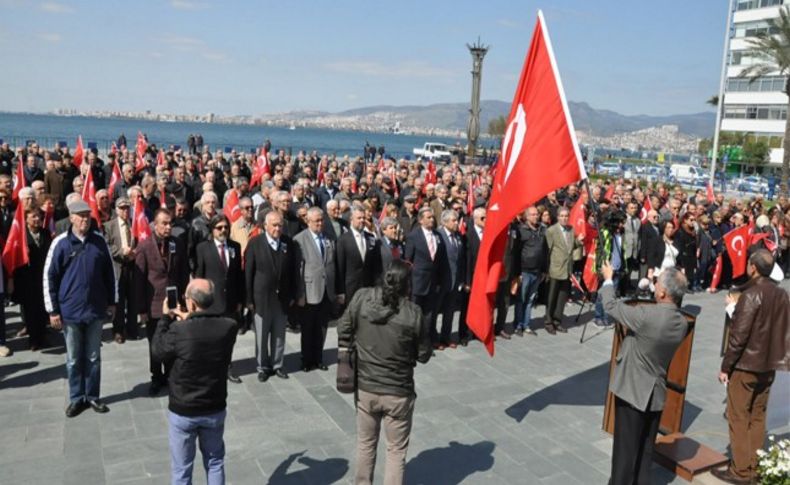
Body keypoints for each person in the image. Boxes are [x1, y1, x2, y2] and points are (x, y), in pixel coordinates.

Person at [337, 260, 432, 485]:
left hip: (367, 388)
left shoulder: (361, 298)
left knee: (365, 444)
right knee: (396, 451)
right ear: (407, 285)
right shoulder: (413, 313)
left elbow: (343, 329)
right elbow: (424, 355)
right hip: (398, 392)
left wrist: (355, 345)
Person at [600, 261, 688, 484]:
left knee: (624, 453)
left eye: (657, 282)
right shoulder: (681, 323)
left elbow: (610, 306)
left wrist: (609, 278)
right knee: (644, 451)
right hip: (655, 394)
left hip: (633, 391)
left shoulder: (646, 316)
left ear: (662, 292)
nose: (655, 284)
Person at [713, 250, 790, 484]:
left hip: (746, 365)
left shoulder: (751, 294)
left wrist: (726, 367)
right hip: (768, 366)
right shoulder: (782, 294)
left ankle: (741, 470)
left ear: (753, 268)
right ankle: (754, 465)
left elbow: (738, 336)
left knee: (738, 416)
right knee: (758, 417)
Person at [152, 279, 237, 485]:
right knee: (215, 461)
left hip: (184, 409)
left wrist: (165, 318)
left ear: (190, 303)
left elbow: (158, 351)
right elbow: (203, 330)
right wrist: (189, 318)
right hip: (214, 407)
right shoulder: (228, 327)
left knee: (182, 469)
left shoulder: (179, 331)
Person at [44, 199, 117, 417]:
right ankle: (77, 398)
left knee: (94, 358)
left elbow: (110, 275)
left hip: (95, 310)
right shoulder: (60, 243)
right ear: (71, 218)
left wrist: (112, 302)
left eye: (87, 215)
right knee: (74, 358)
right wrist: (53, 311)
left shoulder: (99, 241)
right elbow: (49, 277)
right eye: (80, 215)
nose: (85, 219)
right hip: (71, 312)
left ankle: (93, 396)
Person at [135, 209, 190, 396]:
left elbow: (183, 272)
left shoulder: (177, 243)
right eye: (164, 223)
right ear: (155, 225)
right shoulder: (144, 247)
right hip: (155, 304)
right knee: (156, 344)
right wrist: (142, 309)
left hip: (174, 302)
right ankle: (156, 377)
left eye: (170, 223)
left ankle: (171, 376)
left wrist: (184, 299)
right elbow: (140, 280)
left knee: (173, 341)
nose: (168, 227)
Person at [244, 210, 299, 382]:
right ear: (265, 225)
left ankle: (277, 364)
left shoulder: (288, 243)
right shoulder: (255, 243)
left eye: (280, 225)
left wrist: (293, 294)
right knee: (261, 334)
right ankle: (262, 366)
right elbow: (248, 272)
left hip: (282, 297)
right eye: (274, 225)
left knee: (279, 334)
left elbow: (293, 271)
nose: (277, 228)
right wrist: (249, 299)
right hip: (261, 297)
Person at [194, 214, 244, 384]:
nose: (223, 230)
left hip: (230, 302)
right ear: (212, 229)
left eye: (226, 227)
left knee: (229, 338)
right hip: (211, 304)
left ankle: (228, 367)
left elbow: (238, 276)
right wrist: (198, 302)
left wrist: (240, 301)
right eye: (219, 227)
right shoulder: (203, 248)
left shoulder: (235, 247)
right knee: (210, 340)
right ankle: (211, 369)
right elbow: (199, 276)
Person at [293, 207, 339, 371]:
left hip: (326, 289)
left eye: (321, 220)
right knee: (308, 328)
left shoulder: (328, 238)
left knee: (322, 327)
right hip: (310, 290)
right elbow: (298, 270)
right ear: (308, 221)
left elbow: (333, 263)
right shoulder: (299, 239)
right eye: (316, 221)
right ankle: (306, 360)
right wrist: (300, 294)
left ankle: (318, 358)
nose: (320, 223)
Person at [404, 206, 448, 341]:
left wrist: (439, 281)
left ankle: (426, 340)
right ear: (421, 220)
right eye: (428, 217)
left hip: (432, 282)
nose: (432, 219)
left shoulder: (438, 235)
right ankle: (413, 341)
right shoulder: (413, 236)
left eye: (432, 217)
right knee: (415, 313)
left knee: (429, 313)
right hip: (417, 282)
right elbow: (408, 260)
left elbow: (441, 261)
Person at [11, 208, 52, 350]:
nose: (37, 219)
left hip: (42, 277)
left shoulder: (46, 233)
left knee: (42, 308)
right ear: (26, 219)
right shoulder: (22, 236)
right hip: (27, 278)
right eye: (33, 216)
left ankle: (42, 336)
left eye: (39, 217)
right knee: (30, 310)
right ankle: (33, 340)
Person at [104, 197, 137, 343]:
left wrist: (135, 252)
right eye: (122, 208)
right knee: (119, 301)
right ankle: (118, 330)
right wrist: (120, 251)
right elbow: (107, 246)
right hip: (117, 266)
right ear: (116, 210)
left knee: (133, 299)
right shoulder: (109, 226)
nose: (125, 211)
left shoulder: (135, 224)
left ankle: (132, 328)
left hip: (133, 266)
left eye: (127, 208)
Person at [544, 207, 582, 334]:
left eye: (566, 216)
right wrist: (546, 270)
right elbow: (547, 251)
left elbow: (571, 246)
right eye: (562, 216)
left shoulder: (571, 229)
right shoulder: (551, 231)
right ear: (558, 217)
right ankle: (548, 322)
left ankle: (557, 321)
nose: (564, 218)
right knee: (552, 297)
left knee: (562, 297)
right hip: (555, 268)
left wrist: (578, 241)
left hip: (567, 269)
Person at [513, 206, 547, 337]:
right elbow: (516, 253)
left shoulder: (542, 230)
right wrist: (518, 273)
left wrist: (544, 270)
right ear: (526, 216)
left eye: (536, 214)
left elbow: (545, 252)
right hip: (525, 271)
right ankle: (518, 325)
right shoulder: (521, 230)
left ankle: (526, 324)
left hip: (537, 271)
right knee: (521, 299)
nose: (535, 217)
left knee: (530, 300)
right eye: (532, 215)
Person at [336, 207, 381, 306]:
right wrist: (340, 292)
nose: (362, 220)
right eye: (359, 218)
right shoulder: (343, 240)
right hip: (350, 289)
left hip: (368, 288)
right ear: (351, 219)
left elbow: (376, 265)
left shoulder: (371, 238)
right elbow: (340, 268)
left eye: (363, 218)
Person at [436, 209, 466, 348]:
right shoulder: (438, 236)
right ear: (445, 222)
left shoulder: (458, 236)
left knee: (449, 312)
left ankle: (445, 337)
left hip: (454, 282)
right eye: (453, 221)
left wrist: (461, 280)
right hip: (441, 281)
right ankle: (433, 339)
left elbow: (460, 260)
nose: (456, 223)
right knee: (435, 311)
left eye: (456, 220)